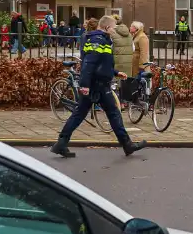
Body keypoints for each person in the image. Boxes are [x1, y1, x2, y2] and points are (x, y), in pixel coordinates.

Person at [50, 15, 147, 158]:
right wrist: (85, 85)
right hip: (97, 85)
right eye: (113, 28)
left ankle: (61, 143)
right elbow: (89, 64)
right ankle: (127, 145)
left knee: (80, 114)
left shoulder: (102, 40)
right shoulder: (98, 41)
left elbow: (101, 64)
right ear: (107, 27)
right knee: (113, 114)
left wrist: (115, 72)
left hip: (97, 84)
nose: (114, 30)